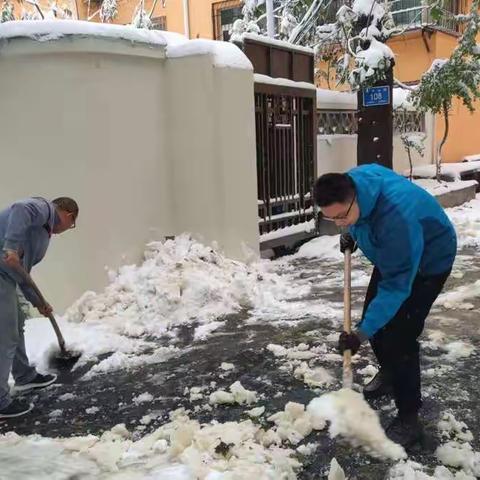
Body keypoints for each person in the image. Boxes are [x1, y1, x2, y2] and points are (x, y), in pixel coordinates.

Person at [313, 164, 456, 449]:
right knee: (377, 325)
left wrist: (359, 335)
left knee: (399, 338)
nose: (339, 223)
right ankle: (390, 373)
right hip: (395, 258)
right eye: (332, 219)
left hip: (428, 262)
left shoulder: (396, 220)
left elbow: (396, 286)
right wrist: (352, 230)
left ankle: (409, 418)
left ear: (354, 198)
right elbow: (356, 215)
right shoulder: (356, 183)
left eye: (342, 217)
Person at [0, 196, 78, 419]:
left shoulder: (40, 233)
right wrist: (11, 246)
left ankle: (24, 377)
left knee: (16, 325)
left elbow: (23, 274)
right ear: (68, 215)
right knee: (5, 335)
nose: (66, 229)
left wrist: (38, 302)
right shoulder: (44, 209)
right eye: (71, 224)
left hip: (7, 276)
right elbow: (20, 208)